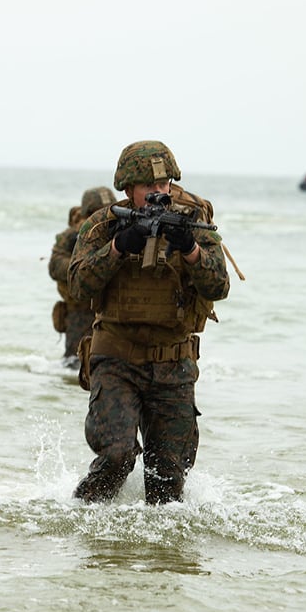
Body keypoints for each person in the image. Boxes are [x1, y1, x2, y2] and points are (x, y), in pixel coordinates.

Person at [67, 140, 231, 505]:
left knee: (167, 483)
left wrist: (189, 249)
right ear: (128, 189)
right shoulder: (104, 226)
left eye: (164, 186)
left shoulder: (193, 221)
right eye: (149, 188)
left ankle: (159, 559)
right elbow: (78, 285)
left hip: (173, 364)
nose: (159, 193)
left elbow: (220, 286)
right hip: (117, 362)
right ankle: (79, 520)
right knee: (116, 456)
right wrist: (118, 247)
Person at [49, 186, 114, 369]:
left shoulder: (119, 232)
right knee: (75, 364)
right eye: (96, 212)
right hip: (80, 313)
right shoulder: (73, 236)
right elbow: (55, 266)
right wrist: (86, 268)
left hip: (109, 313)